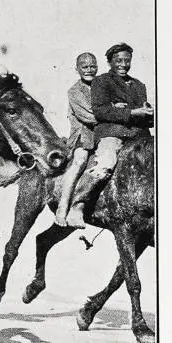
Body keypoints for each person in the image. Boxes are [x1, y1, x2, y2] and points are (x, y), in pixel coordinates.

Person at [65, 43, 154, 228]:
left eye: (127, 61)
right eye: (118, 60)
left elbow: (142, 116)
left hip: (138, 135)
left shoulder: (139, 85)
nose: (123, 64)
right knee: (105, 163)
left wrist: (150, 115)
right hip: (111, 133)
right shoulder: (101, 81)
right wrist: (132, 113)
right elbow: (100, 112)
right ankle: (77, 205)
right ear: (109, 62)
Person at [54, 52, 98, 226]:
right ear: (77, 69)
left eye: (92, 66)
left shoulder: (101, 86)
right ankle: (63, 206)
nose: (89, 70)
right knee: (80, 160)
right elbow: (89, 116)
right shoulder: (74, 91)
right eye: (84, 67)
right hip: (83, 134)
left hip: (102, 133)